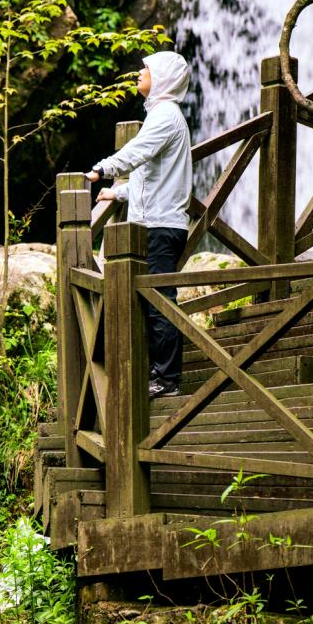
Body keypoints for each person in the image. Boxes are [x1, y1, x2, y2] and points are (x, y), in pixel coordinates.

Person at [87, 51, 192, 398]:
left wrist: (102, 169)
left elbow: (137, 152)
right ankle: (159, 372)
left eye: (146, 69)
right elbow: (152, 178)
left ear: (161, 77)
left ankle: (168, 379)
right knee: (152, 299)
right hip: (157, 220)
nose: (138, 72)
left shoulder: (164, 115)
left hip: (161, 226)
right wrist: (117, 195)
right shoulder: (163, 115)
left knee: (160, 300)